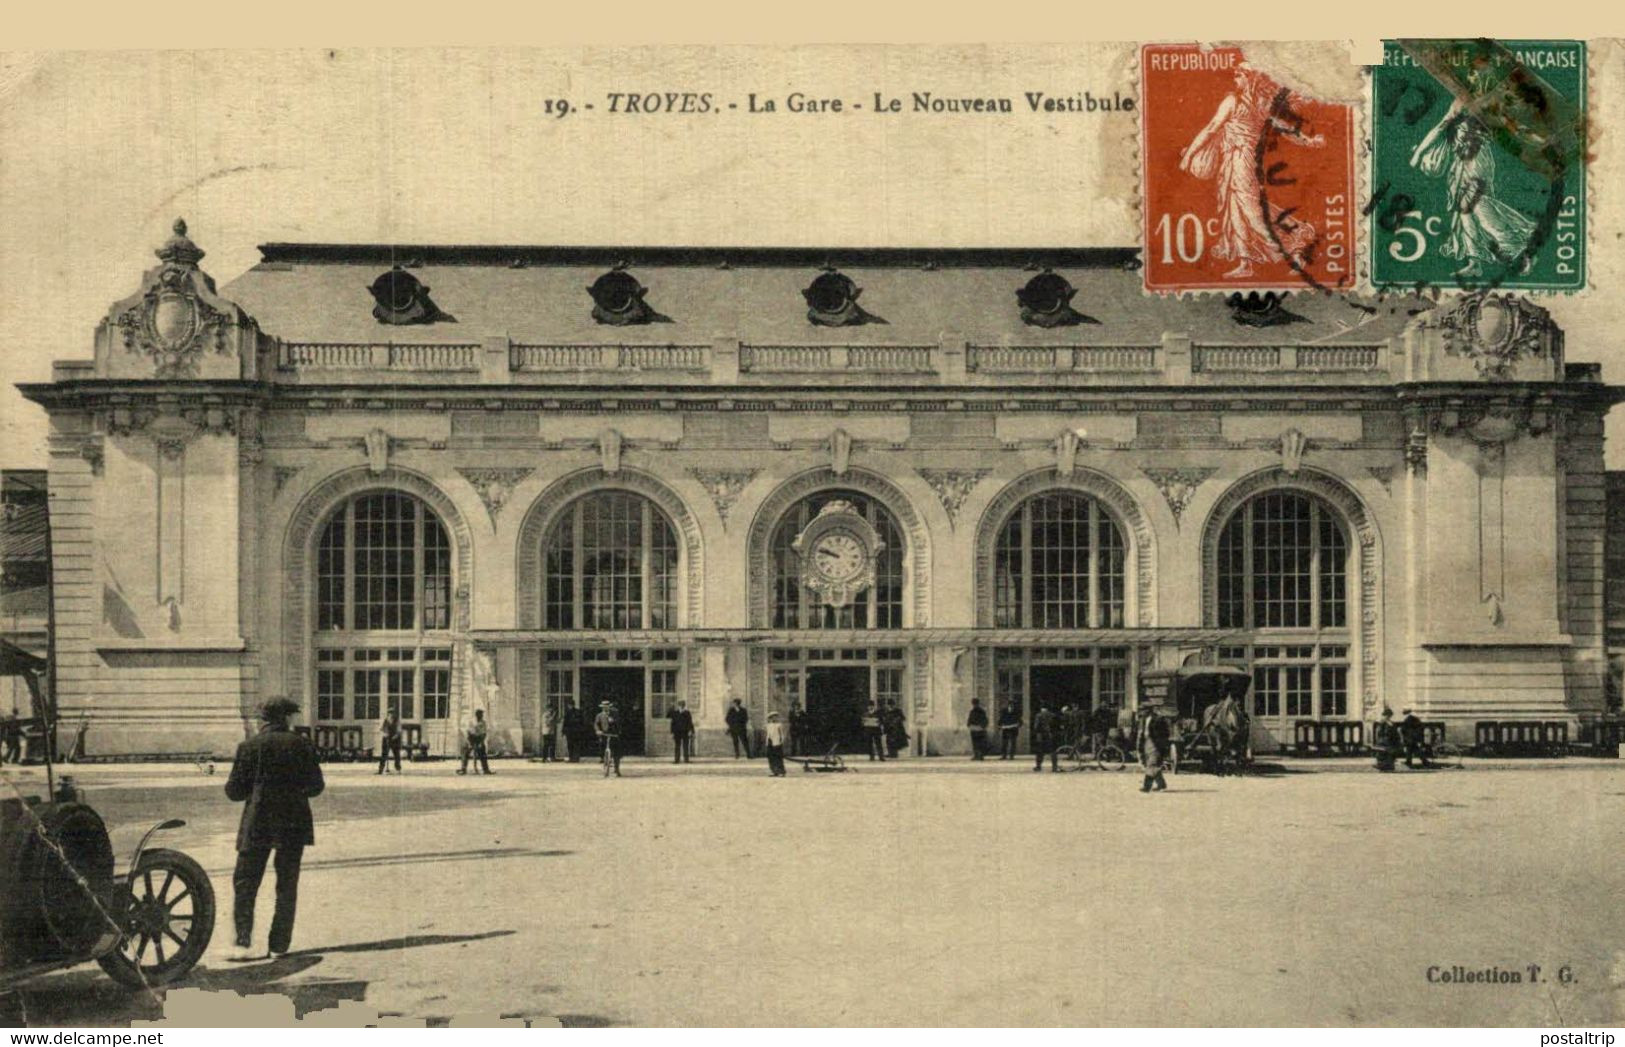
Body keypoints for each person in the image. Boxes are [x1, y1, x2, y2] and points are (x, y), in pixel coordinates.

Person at [1178, 66, 1325, 279]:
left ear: (1251, 79)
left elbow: (1283, 127)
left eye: (1240, 75)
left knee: (1252, 212)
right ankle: (1246, 263)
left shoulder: (1256, 104)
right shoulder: (1236, 101)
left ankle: (1295, 247)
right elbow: (1212, 128)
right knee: (1234, 210)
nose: (1235, 78)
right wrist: (1190, 152)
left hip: (1244, 162)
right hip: (1230, 162)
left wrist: (1189, 155)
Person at [223, 697, 324, 961]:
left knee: (245, 883)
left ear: (263, 719)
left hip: (257, 823)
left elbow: (234, 792)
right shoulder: (303, 745)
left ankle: (244, 943)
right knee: (287, 884)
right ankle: (279, 945)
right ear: (287, 718)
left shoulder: (248, 746)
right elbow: (316, 787)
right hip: (293, 823)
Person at [1409, 87, 1536, 279]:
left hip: (1477, 161)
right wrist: (1419, 153)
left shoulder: (1491, 101)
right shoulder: (1459, 102)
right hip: (1460, 165)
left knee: (1475, 205)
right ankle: (1474, 263)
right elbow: (1441, 126)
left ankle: (1518, 246)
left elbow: (1508, 127)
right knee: (1464, 216)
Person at [1137, 703, 1171, 793]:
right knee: (1152, 765)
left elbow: (1166, 733)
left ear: (1148, 711)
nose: (1141, 712)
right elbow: (1142, 733)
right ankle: (1161, 785)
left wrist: (1162, 745)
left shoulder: (1159, 719)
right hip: (1146, 743)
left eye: (1143, 710)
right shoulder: (1143, 720)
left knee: (1152, 764)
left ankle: (1146, 786)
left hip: (1156, 744)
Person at [458, 708, 492, 775]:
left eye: (482, 714)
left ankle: (486, 769)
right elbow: (468, 732)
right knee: (465, 750)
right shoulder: (471, 722)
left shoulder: (483, 722)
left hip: (479, 738)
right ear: (476, 714)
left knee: (482, 751)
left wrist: (481, 743)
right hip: (471, 737)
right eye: (479, 714)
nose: (481, 716)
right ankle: (463, 769)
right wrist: (470, 743)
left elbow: (484, 734)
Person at [594, 700, 622, 778]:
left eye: (607, 707)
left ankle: (617, 769)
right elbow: (596, 724)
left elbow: (619, 724)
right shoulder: (599, 715)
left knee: (616, 752)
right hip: (604, 734)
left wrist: (614, 722)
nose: (605, 708)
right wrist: (598, 730)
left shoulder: (615, 714)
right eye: (603, 707)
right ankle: (604, 759)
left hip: (613, 734)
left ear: (609, 707)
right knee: (602, 747)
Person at [1032, 704, 1060, 772]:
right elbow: (1057, 725)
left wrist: (1036, 733)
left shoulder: (1039, 715)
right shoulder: (1053, 715)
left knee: (1040, 752)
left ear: (1042, 708)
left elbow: (1036, 726)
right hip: (1051, 735)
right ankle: (1054, 767)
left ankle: (1038, 766)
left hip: (1041, 736)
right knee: (1053, 751)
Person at [376, 705, 403, 775]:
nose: (391, 714)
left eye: (392, 713)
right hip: (386, 738)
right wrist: (385, 733)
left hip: (395, 739)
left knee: (396, 754)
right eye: (390, 713)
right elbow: (381, 729)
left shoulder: (397, 720)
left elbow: (399, 730)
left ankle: (398, 769)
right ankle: (381, 769)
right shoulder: (385, 720)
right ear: (388, 713)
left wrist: (395, 736)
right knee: (384, 754)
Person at [668, 699, 695, 764]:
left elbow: (690, 722)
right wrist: (672, 732)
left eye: (682, 705)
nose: (681, 707)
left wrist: (691, 731)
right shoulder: (675, 713)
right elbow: (672, 723)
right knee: (677, 746)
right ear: (678, 706)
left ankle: (686, 759)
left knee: (686, 746)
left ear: (684, 706)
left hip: (685, 731)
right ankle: (677, 760)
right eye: (680, 705)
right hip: (677, 732)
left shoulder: (687, 713)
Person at [1373, 708, 1399, 773]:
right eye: (1386, 715)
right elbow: (1380, 732)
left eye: (1388, 716)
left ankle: (1387, 766)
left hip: (1388, 741)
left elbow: (1393, 732)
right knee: (1382, 754)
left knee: (1387, 754)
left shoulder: (1389, 723)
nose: (1387, 717)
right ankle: (1383, 765)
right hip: (1384, 741)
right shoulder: (1383, 722)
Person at [764, 711, 788, 777]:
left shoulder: (779, 725)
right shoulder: (768, 725)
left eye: (776, 717)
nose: (774, 718)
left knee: (778, 757)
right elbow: (768, 734)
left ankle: (781, 771)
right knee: (771, 757)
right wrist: (767, 742)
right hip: (770, 742)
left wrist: (781, 741)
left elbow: (782, 734)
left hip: (777, 742)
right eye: (772, 717)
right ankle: (773, 771)